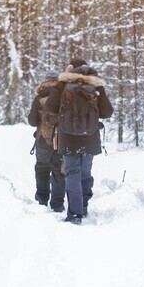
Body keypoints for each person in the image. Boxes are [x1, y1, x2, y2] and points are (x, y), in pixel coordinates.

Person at [44, 58, 114, 224]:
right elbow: (107, 111)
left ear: (71, 69)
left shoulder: (63, 84)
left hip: (68, 138)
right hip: (90, 138)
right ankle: (83, 206)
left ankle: (75, 213)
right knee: (85, 173)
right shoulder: (96, 85)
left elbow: (50, 107)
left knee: (72, 174)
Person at [27, 72, 65, 212]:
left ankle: (42, 200)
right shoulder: (64, 95)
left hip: (43, 139)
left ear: (45, 81)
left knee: (42, 168)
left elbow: (32, 121)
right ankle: (57, 204)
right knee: (59, 171)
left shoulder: (39, 97)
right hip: (61, 140)